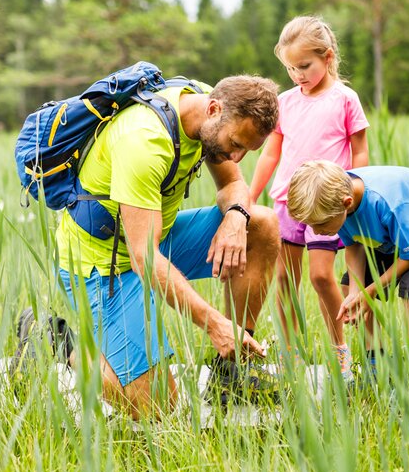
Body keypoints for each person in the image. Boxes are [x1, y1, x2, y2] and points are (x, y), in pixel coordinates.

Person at [51, 75, 283, 420]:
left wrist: (236, 215)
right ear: (215, 109)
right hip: (103, 264)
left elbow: (233, 182)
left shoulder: (207, 108)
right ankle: (58, 344)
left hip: (155, 238)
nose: (237, 155)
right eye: (236, 143)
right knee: (157, 408)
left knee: (260, 224)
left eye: (248, 150)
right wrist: (214, 323)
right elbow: (144, 259)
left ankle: (229, 371)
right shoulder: (144, 142)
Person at [249, 16, 369, 382]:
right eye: (290, 68)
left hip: (327, 204)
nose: (298, 74)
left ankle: (340, 351)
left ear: (328, 57)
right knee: (285, 280)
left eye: (305, 66)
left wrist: (355, 188)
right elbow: (271, 153)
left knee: (321, 277)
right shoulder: (284, 102)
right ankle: (290, 356)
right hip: (287, 202)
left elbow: (360, 151)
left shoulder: (345, 99)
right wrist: (249, 198)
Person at [285, 160, 409, 370]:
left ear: (347, 203)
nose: (316, 231)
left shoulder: (388, 201)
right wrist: (355, 292)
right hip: (393, 233)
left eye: (320, 224)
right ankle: (376, 362)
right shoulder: (336, 201)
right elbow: (354, 246)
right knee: (351, 287)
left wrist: (369, 292)